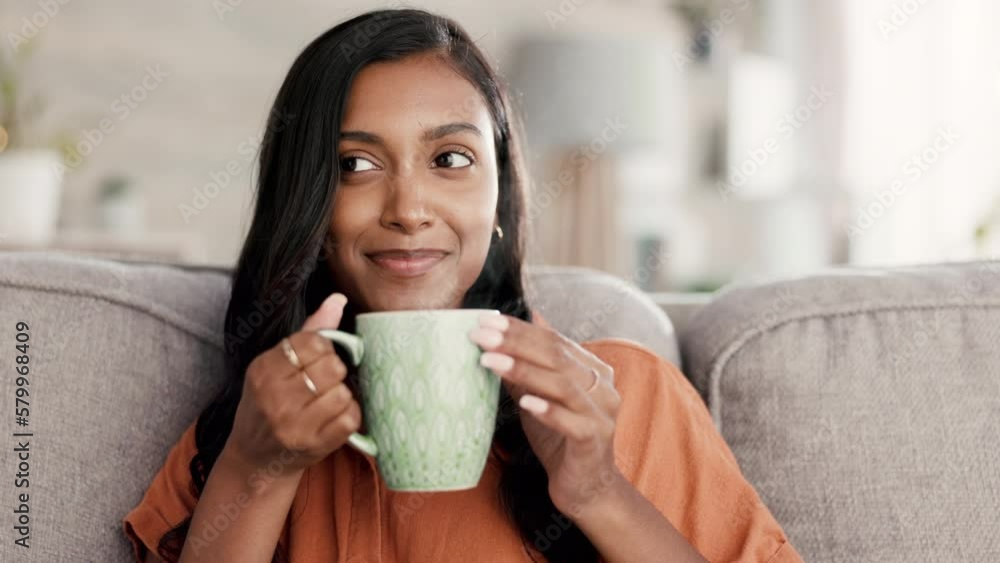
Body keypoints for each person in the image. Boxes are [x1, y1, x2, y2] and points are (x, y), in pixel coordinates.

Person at [122, 8, 803, 563]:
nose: (409, 208)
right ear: (308, 207)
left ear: (500, 200)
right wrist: (256, 470)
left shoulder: (628, 398)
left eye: (451, 158)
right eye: (356, 164)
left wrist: (600, 492)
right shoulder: (244, 432)